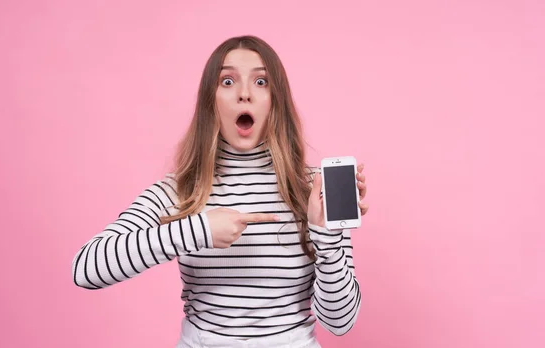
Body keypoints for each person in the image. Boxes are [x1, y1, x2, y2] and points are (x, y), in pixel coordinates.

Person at [71, 35, 369, 348]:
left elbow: (340, 322)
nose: (244, 94)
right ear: (210, 100)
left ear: (276, 99)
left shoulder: (313, 191)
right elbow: (86, 268)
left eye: (261, 82)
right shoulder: (179, 191)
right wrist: (199, 229)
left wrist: (326, 236)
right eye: (227, 81)